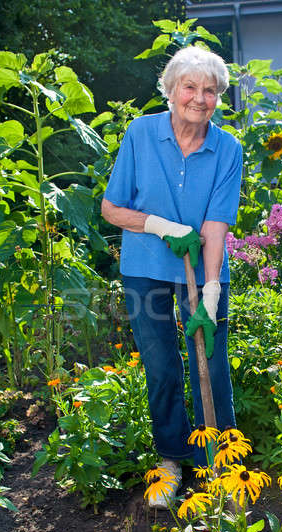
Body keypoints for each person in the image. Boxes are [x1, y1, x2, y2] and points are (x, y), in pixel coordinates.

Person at [101, 45, 243, 508]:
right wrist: (162, 226)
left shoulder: (227, 148)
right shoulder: (141, 134)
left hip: (202, 273)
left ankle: (221, 458)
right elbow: (111, 208)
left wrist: (211, 290)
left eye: (210, 91)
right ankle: (172, 459)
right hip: (146, 270)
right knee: (162, 367)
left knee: (213, 362)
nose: (199, 99)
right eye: (190, 87)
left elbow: (216, 224)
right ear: (171, 90)